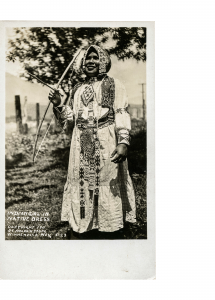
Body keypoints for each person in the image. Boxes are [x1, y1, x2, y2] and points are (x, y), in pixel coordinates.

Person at [48, 45, 136, 239]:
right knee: (82, 181)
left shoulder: (114, 84)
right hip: (80, 142)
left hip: (106, 140)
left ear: (103, 61)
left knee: (106, 180)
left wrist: (123, 141)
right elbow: (70, 120)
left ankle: (110, 226)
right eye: (87, 58)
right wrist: (59, 104)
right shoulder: (77, 89)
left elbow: (121, 112)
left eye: (95, 58)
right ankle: (84, 225)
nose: (90, 61)